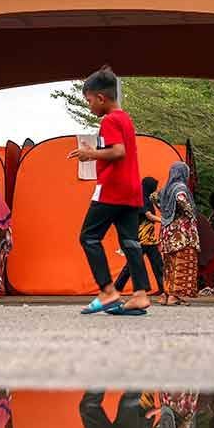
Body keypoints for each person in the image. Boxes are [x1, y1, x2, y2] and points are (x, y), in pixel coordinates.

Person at [67, 67, 150, 316]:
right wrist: (94, 152)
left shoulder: (110, 120)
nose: (89, 105)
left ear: (101, 98)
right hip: (131, 189)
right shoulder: (125, 118)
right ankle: (140, 294)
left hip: (112, 188)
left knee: (89, 237)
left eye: (89, 100)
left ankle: (107, 290)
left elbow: (118, 151)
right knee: (130, 241)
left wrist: (90, 154)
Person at [152, 162, 200, 306]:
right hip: (182, 233)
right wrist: (190, 213)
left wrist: (165, 212)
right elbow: (181, 198)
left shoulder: (166, 188)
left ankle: (166, 294)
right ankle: (174, 296)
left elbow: (153, 197)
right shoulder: (180, 187)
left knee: (169, 265)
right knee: (182, 262)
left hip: (168, 232)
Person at [113, 176, 163, 297]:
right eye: (154, 187)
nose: (155, 189)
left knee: (157, 263)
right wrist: (164, 221)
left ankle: (163, 288)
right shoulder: (141, 199)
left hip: (149, 237)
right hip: (142, 237)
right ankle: (116, 288)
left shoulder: (147, 199)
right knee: (134, 263)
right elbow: (149, 215)